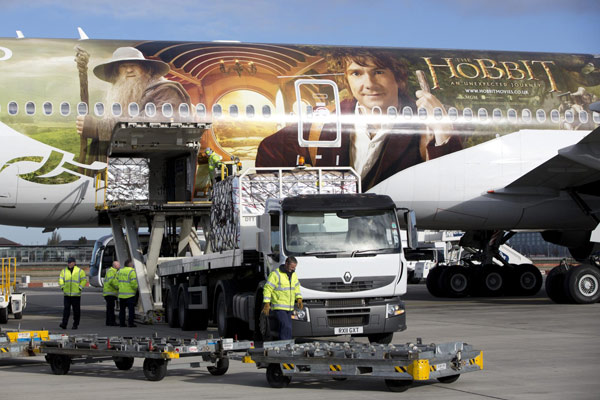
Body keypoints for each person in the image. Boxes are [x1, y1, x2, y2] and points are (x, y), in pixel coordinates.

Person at [256, 49, 462, 190]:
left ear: (398, 78)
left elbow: (450, 185)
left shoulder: (423, 124)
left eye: (378, 72)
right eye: (356, 73)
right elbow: (269, 149)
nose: (369, 83)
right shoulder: (326, 123)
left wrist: (443, 132)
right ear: (346, 80)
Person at [76, 46, 192, 151]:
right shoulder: (124, 94)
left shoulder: (166, 90)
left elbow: (153, 125)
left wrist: (99, 127)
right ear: (117, 72)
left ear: (146, 68)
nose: (129, 70)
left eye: (133, 65)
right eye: (123, 66)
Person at [262, 256, 303, 340]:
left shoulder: (293, 274)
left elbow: (296, 287)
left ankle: (284, 344)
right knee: (286, 326)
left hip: (289, 307)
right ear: (286, 264)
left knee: (288, 328)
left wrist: (299, 298)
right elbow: (268, 288)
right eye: (292, 267)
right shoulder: (275, 274)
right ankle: (285, 344)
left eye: (294, 267)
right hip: (279, 306)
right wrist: (266, 303)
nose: (293, 269)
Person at [58, 257, 87, 329]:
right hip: (67, 294)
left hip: (76, 294)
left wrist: (80, 288)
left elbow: (84, 280)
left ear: (74, 263)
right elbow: (60, 280)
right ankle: (64, 324)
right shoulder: (64, 271)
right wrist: (63, 287)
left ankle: (75, 324)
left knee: (76, 311)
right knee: (66, 310)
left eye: (70, 262)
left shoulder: (80, 271)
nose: (69, 264)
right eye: (68, 262)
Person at [117, 258, 138, 327]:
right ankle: (130, 323)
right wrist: (136, 288)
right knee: (131, 310)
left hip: (121, 294)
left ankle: (122, 323)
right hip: (130, 294)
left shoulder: (120, 271)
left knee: (122, 310)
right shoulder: (132, 272)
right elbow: (133, 283)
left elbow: (116, 281)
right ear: (130, 265)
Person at [103, 260, 120, 326]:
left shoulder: (112, 271)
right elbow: (111, 281)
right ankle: (112, 322)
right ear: (115, 266)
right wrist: (117, 286)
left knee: (109, 308)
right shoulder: (112, 271)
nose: (119, 266)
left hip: (109, 293)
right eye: (118, 265)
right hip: (110, 293)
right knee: (111, 309)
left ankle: (108, 322)